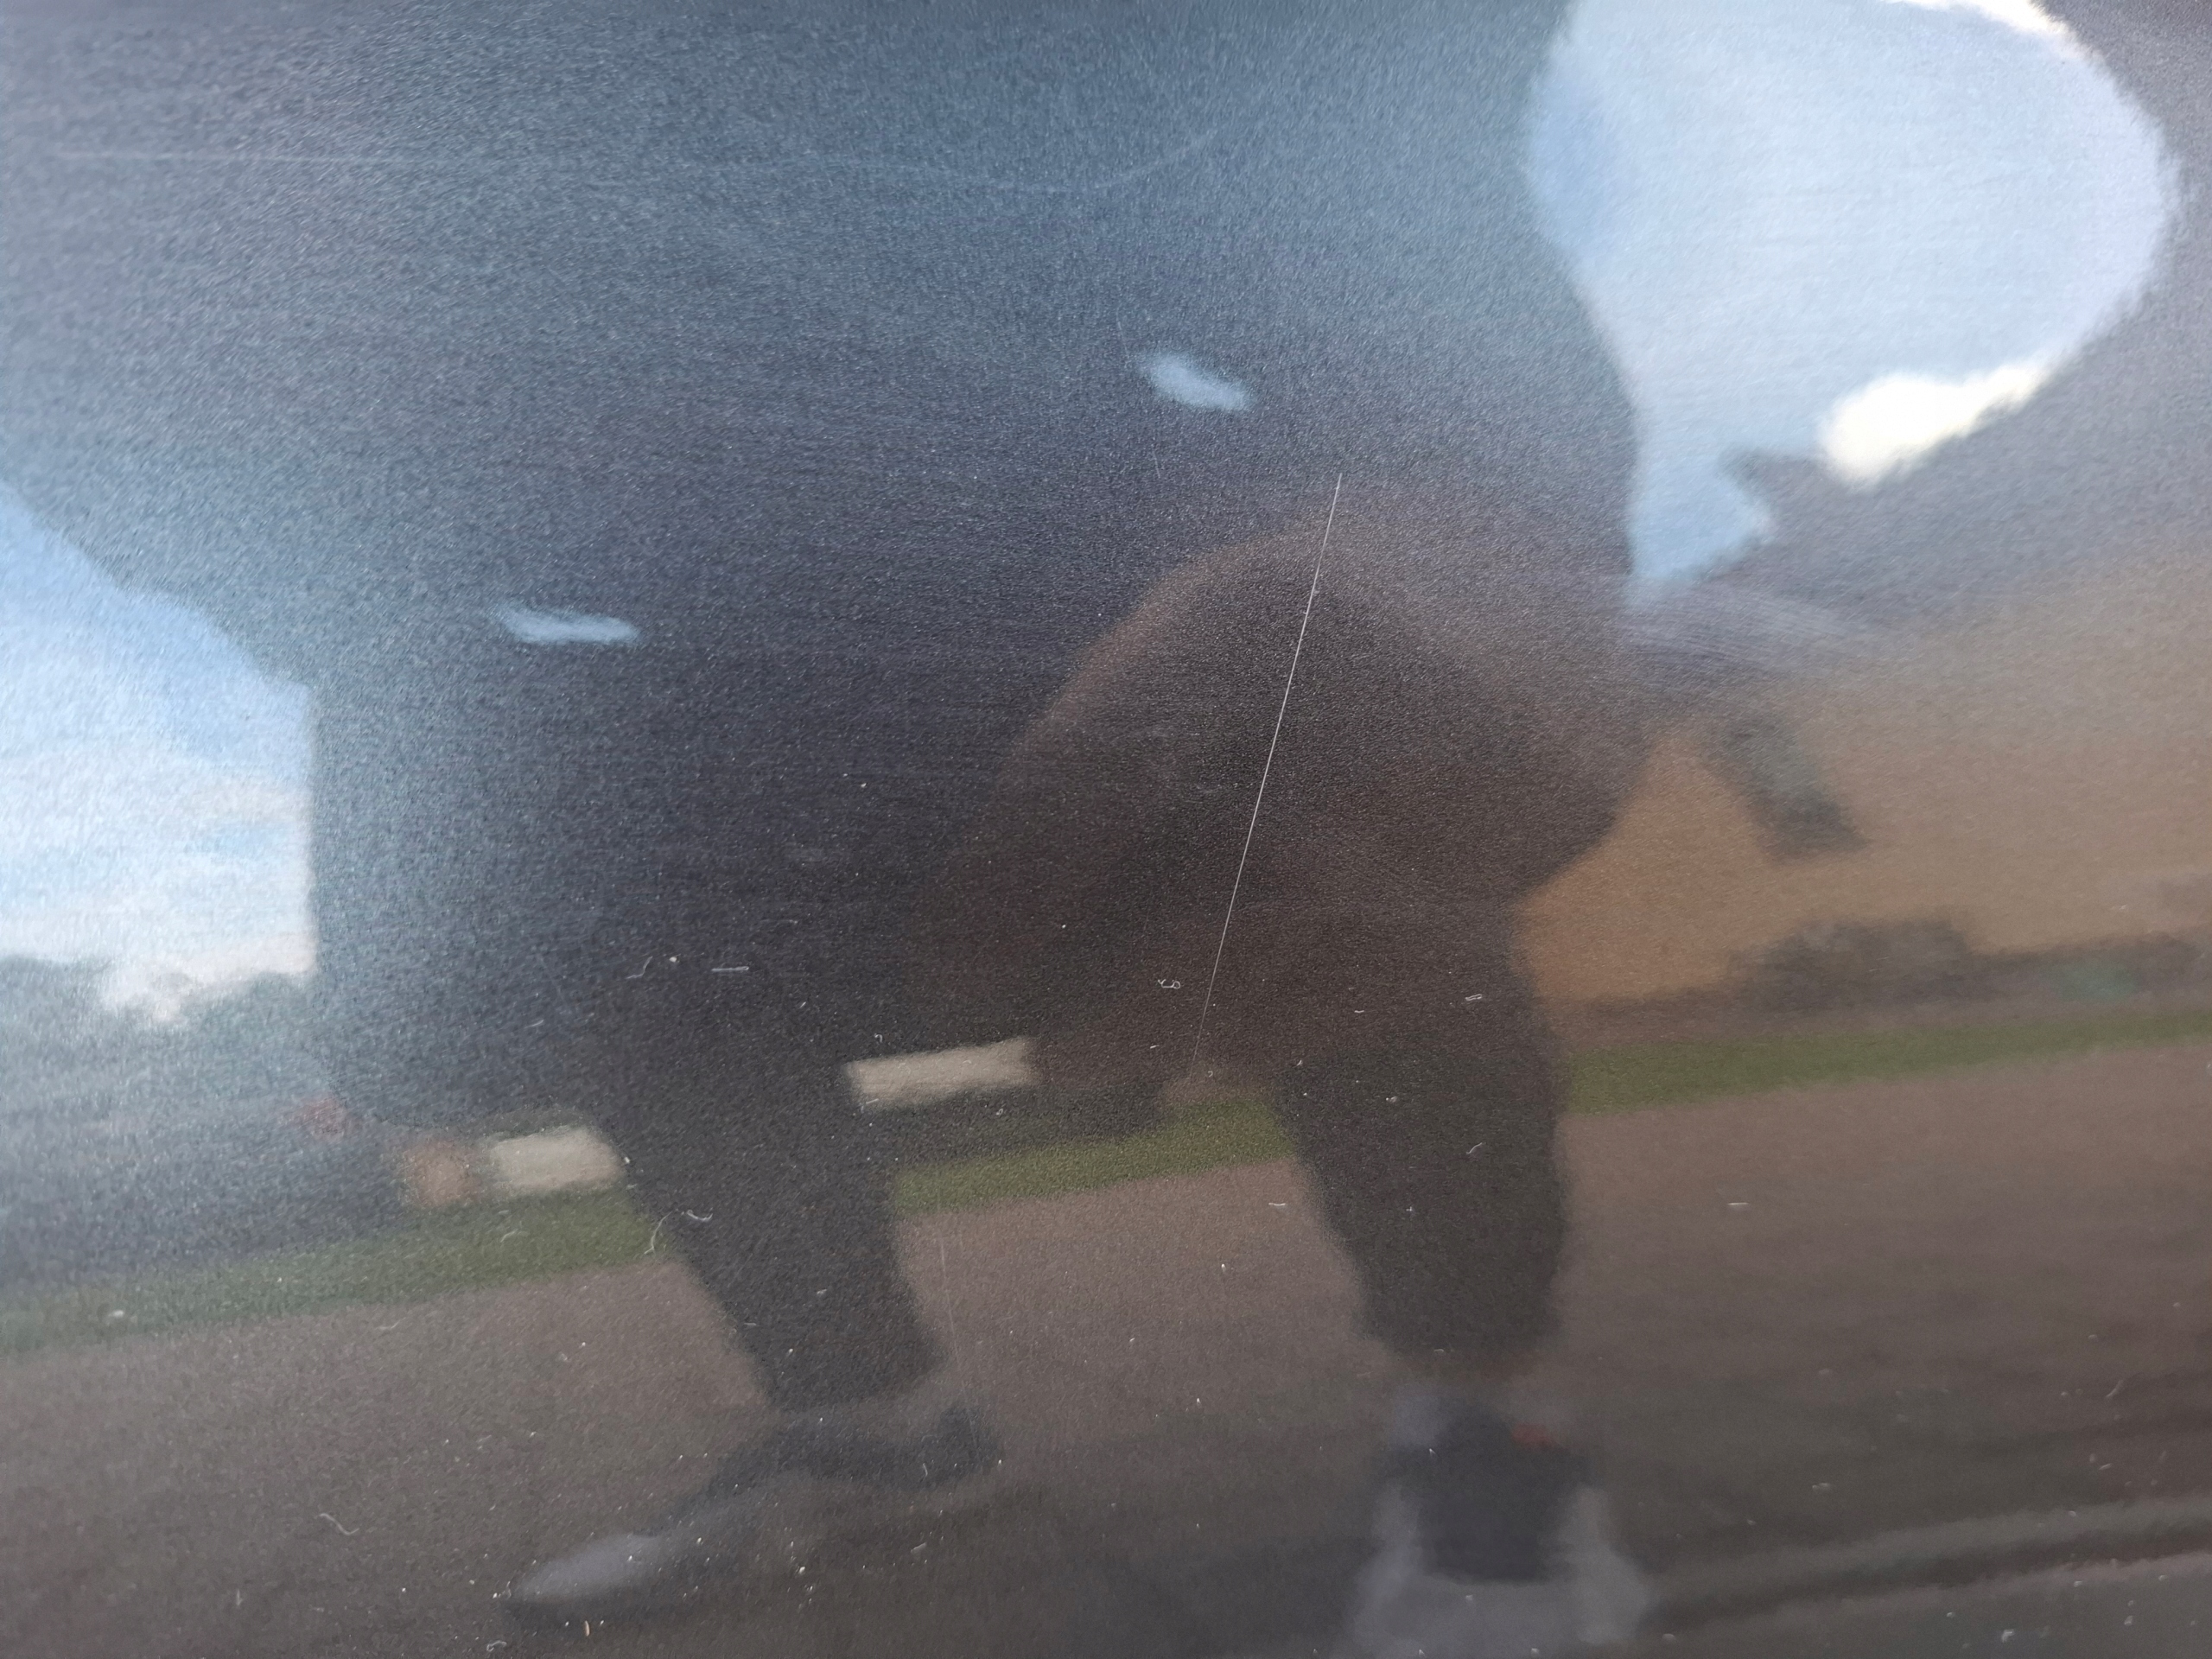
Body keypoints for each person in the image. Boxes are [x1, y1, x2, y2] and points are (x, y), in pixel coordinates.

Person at [3, 1, 1650, 1649]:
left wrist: (1495, 507)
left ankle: (1489, 1423)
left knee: (1308, 733)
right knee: (542, 883)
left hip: (1049, 478)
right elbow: (248, 543)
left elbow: (1343, 101)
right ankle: (875, 1428)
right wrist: (440, 750)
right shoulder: (99, 289)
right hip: (644, 595)